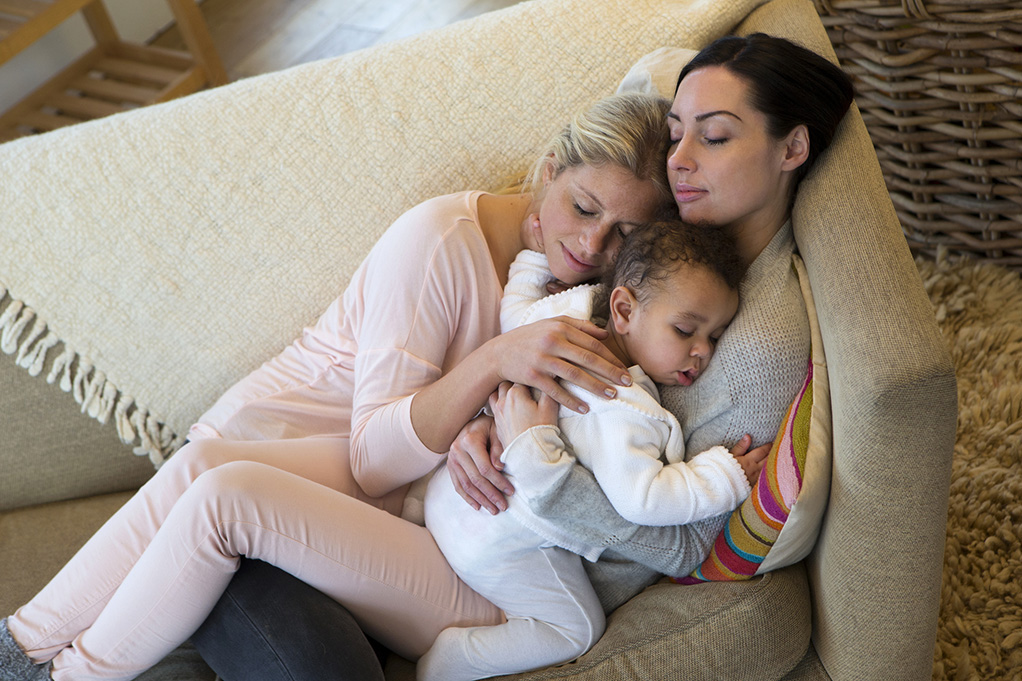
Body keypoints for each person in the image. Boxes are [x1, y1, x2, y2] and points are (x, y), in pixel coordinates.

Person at [0, 91, 678, 681]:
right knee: (210, 466)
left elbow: (413, 460)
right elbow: (374, 460)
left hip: (468, 553)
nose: (593, 244)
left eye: (625, 232)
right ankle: (18, 647)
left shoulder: (597, 300)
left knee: (222, 486)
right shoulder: (444, 243)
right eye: (582, 207)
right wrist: (491, 371)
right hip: (349, 479)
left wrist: (490, 395)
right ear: (550, 170)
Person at [418, 220, 769, 681]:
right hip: (501, 535)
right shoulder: (622, 406)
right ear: (623, 310)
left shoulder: (562, 321)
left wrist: (534, 258)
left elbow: (516, 313)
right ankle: (454, 660)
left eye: (716, 337)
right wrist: (725, 475)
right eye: (685, 330)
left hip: (445, 493)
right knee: (577, 630)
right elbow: (643, 498)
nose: (701, 351)